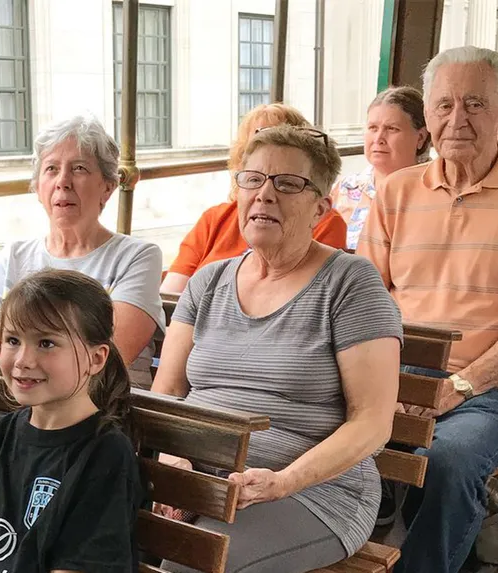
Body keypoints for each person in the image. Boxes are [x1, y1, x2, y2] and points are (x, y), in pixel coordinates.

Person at [153, 126, 403, 573]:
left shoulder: (351, 284)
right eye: (253, 179)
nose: (265, 195)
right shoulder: (208, 282)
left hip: (317, 493)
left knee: (191, 563)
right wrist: (176, 465)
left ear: (321, 208)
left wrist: (283, 482)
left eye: (288, 184)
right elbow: (166, 395)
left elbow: (372, 422)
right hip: (200, 479)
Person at [357, 46, 498, 573]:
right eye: (443, 106)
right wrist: (387, 381)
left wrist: (455, 388)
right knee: (306, 424)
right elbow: (363, 302)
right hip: (396, 371)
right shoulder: (396, 192)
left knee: (448, 460)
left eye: (474, 104)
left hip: (488, 388)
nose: (457, 119)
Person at [0, 269, 142, 573]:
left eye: (46, 343)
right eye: (12, 340)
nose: (23, 359)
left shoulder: (106, 454)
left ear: (96, 359)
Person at [0, 114, 164, 388]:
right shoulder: (15, 254)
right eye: (51, 169)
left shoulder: (137, 257)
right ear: (38, 188)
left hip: (103, 411)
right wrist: (49, 339)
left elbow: (109, 354)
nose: (63, 181)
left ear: (107, 188)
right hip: (16, 403)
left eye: (80, 168)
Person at [160, 103, 348, 294]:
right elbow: (171, 295)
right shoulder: (214, 220)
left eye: (287, 183)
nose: (265, 195)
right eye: (259, 142)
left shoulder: (326, 222)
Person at [330, 86, 430, 250]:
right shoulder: (344, 189)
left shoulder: (436, 190)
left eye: (392, 129)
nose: (378, 138)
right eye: (373, 128)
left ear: (420, 137)